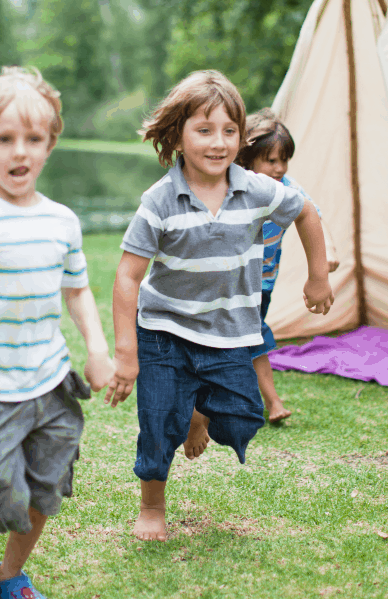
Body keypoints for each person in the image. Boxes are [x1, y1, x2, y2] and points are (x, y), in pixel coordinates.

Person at [105, 70, 334, 542]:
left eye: (230, 130)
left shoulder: (256, 188)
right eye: (204, 130)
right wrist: (126, 351)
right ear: (178, 136)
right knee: (157, 422)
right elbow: (128, 276)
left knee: (244, 416)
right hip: (164, 330)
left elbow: (306, 212)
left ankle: (198, 411)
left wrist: (317, 276)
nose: (219, 142)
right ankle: (152, 506)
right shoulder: (160, 200)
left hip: (231, 333)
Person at [0, 67, 115, 599]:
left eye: (32, 139)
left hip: (49, 385)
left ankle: (9, 577)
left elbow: (76, 293)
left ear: (49, 146)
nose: (18, 152)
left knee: (45, 488)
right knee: (5, 490)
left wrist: (97, 349)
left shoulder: (63, 222)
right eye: (4, 139)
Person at [236, 108, 339, 422]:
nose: (280, 168)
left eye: (284, 160)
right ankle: (272, 401)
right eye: (271, 160)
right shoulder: (235, 186)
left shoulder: (288, 189)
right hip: (232, 284)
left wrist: (327, 255)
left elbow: (313, 215)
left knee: (248, 340)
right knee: (253, 339)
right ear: (247, 158)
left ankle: (242, 402)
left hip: (263, 284)